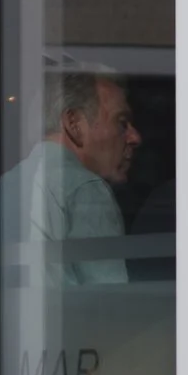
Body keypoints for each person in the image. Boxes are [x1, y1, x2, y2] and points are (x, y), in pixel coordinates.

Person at [31, 69, 140, 287]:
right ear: (74, 123)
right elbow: (109, 307)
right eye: (121, 122)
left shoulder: (1, 188)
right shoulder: (85, 188)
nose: (135, 137)